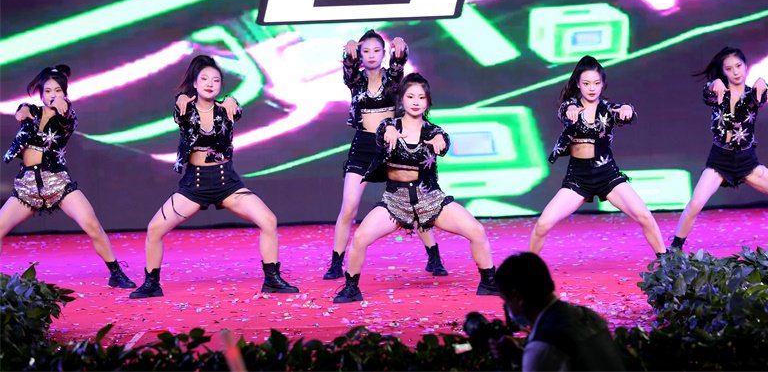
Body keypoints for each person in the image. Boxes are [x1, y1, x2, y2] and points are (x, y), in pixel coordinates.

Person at [129, 55, 298, 298]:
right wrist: (181, 98)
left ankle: (272, 279)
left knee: (268, 220)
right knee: (155, 228)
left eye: (216, 80)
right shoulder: (185, 108)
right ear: (195, 83)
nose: (210, 84)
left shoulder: (226, 108)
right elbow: (179, 108)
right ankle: (151, 284)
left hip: (226, 183)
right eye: (204, 79)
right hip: (195, 184)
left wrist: (232, 100)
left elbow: (236, 108)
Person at [333, 73, 499, 303]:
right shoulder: (388, 126)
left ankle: (489, 283)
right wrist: (389, 131)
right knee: (360, 237)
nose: (416, 101)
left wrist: (440, 140)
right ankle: (351, 288)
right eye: (410, 96)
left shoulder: (434, 131)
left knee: (477, 231)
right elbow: (382, 134)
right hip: (396, 200)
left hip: (429, 199)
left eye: (421, 97)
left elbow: (443, 142)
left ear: (427, 102)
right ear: (402, 99)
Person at [323, 30, 448, 280]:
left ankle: (434, 257)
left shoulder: (393, 78)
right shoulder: (355, 80)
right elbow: (348, 67)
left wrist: (400, 47)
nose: (371, 55)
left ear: (383, 53)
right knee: (349, 206)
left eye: (376, 50)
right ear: (360, 54)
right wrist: (349, 51)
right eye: (366, 51)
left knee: (413, 202)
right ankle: (336, 262)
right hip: (363, 147)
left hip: (392, 145)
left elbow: (399, 60)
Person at [0, 65, 136, 288]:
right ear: (41, 94)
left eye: (57, 91)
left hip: (56, 181)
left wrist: (63, 107)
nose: (52, 95)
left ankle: (116, 272)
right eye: (47, 91)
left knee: (92, 225)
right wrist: (22, 108)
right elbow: (22, 111)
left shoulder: (68, 116)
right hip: (27, 184)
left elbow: (66, 119)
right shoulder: (31, 112)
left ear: (65, 93)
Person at [531, 55, 666, 255]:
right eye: (586, 83)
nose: (592, 88)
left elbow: (626, 113)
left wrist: (628, 109)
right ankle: (528, 268)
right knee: (542, 225)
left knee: (645, 216)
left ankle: (666, 263)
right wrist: (572, 109)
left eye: (596, 83)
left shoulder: (608, 110)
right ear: (578, 84)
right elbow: (566, 109)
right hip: (578, 178)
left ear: (603, 84)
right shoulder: (570, 106)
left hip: (607, 175)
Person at [672, 47, 768, 250]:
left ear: (746, 66)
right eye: (729, 69)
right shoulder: (718, 92)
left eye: (738, 66)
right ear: (724, 72)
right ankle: (674, 250)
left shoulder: (753, 94)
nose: (736, 72)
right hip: (720, 160)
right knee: (695, 204)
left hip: (747, 161)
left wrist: (763, 82)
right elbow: (708, 92)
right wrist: (714, 83)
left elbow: (762, 95)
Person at [495, 252, 625, 371]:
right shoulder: (590, 316)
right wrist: (521, 356)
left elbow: (548, 357)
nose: (507, 307)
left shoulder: (543, 345)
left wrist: (529, 357)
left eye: (506, 300)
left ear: (517, 297)